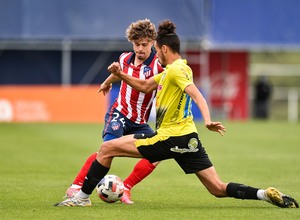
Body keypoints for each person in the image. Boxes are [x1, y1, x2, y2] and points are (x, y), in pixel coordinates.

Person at [55, 20, 298, 208]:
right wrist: (118, 76)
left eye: (156, 50)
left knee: (107, 149)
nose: (154, 54)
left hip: (169, 138)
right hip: (188, 139)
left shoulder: (176, 71)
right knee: (217, 188)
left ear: (163, 48)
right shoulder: (171, 70)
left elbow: (197, 94)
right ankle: (264, 194)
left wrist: (209, 118)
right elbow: (144, 85)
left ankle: (82, 196)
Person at [64, 18, 164, 204]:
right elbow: (119, 71)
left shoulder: (159, 65)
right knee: (107, 149)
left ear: (152, 43)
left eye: (144, 44)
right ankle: (76, 186)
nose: (140, 49)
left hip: (140, 122)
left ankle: (126, 187)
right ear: (131, 43)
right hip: (120, 113)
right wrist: (106, 82)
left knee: (159, 154)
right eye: (136, 44)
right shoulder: (125, 58)